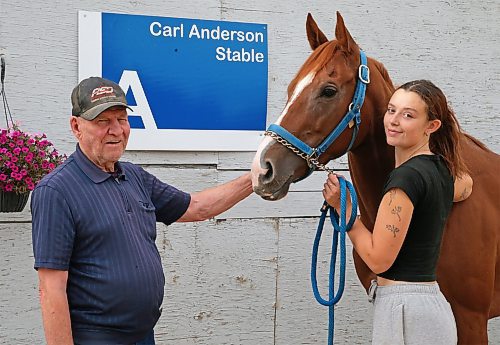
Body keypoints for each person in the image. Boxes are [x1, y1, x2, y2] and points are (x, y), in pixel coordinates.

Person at [31, 77, 254, 345]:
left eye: (122, 119)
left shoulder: (134, 177)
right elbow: (51, 290)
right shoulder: (56, 191)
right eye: (103, 121)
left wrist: (257, 178)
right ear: (76, 126)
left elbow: (197, 207)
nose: (116, 130)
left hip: (143, 336)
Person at [323, 80, 473, 344]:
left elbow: (378, 260)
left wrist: (344, 209)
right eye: (391, 110)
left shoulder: (404, 180)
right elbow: (466, 186)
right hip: (433, 308)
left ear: (432, 126)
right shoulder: (440, 170)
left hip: (404, 310)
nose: (393, 121)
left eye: (408, 115)